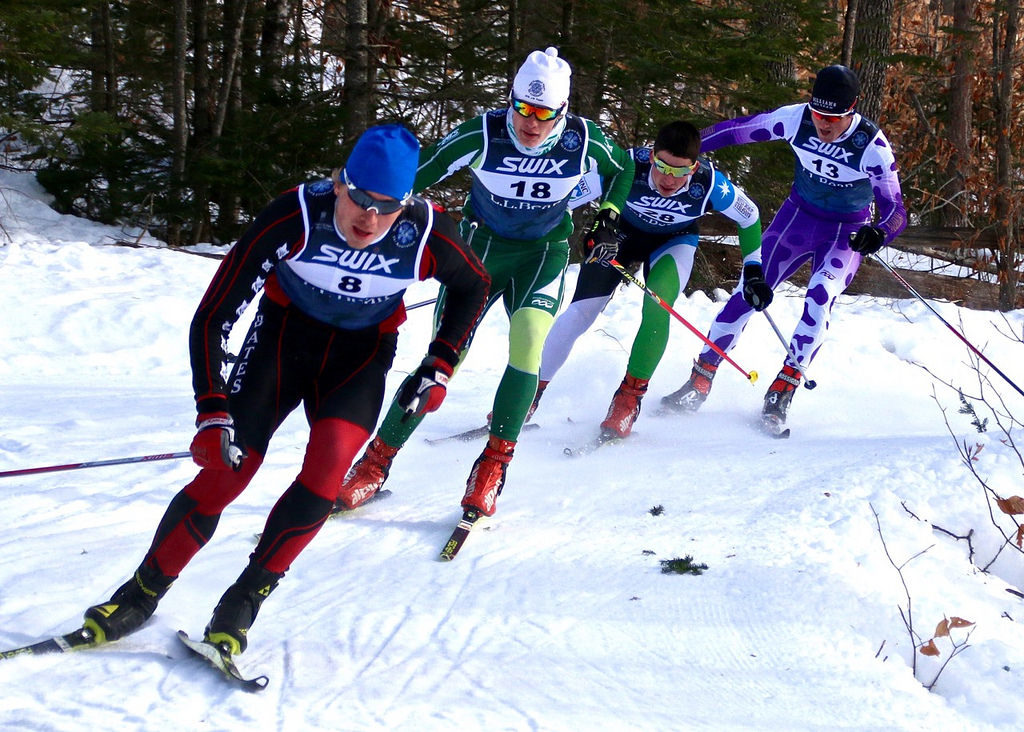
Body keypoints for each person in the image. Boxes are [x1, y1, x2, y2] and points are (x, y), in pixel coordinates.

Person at [81, 124, 489, 655]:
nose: (369, 217)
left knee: (324, 479)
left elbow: (473, 285)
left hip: (358, 359)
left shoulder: (425, 232)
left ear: (406, 202)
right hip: (281, 341)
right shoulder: (294, 214)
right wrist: (212, 411)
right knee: (227, 472)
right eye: (360, 198)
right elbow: (213, 316)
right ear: (339, 184)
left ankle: (243, 601)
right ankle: (139, 595)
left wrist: (439, 365)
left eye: (387, 205)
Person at [336, 48, 634, 518]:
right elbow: (414, 175)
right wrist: (368, 214)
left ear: (562, 112)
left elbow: (623, 170)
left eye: (542, 113)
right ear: (510, 100)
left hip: (543, 255)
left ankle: (493, 466)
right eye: (521, 108)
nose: (529, 123)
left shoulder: (582, 139)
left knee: (529, 345)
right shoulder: (484, 132)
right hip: (480, 254)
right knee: (444, 358)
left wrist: (609, 217)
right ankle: (374, 465)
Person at [662, 65, 907, 430]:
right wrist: (685, 149)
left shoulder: (872, 147)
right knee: (750, 288)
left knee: (820, 297)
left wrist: (878, 233)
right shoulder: (797, 119)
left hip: (845, 231)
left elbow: (897, 211)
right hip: (797, 220)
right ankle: (700, 379)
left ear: (852, 109)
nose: (823, 124)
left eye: (834, 118)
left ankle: (783, 389)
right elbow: (737, 131)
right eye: (818, 113)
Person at [532, 120, 767, 439]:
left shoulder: (709, 184)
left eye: (680, 171)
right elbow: (562, 201)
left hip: (674, 243)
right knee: (579, 313)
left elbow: (749, 214)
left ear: (694, 167)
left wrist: (753, 268)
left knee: (658, 308)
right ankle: (528, 394)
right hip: (619, 237)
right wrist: (577, 233)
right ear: (651, 154)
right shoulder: (627, 165)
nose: (669, 178)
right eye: (662, 166)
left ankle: (628, 401)